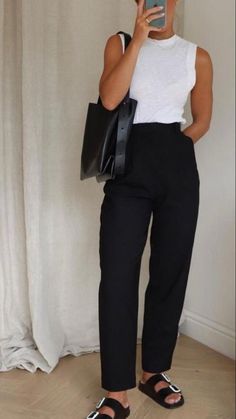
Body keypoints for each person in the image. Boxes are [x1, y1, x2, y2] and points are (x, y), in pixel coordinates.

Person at [86, 0, 213, 418]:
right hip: (128, 173)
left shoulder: (197, 55)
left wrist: (176, 147)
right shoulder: (119, 44)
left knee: (169, 271)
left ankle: (153, 372)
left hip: (177, 173)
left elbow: (201, 119)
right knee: (118, 274)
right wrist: (138, 41)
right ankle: (117, 392)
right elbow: (108, 100)